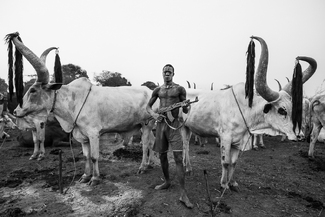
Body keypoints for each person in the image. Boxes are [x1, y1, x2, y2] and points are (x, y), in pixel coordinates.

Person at [146, 64, 194, 208]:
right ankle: (167, 182)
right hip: (161, 126)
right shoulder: (157, 90)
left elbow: (185, 109)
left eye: (169, 71)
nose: (167, 73)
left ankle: (183, 194)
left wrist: (185, 105)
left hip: (174, 126)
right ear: (162, 73)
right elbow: (148, 107)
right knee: (162, 156)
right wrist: (155, 115)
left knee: (179, 158)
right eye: (165, 71)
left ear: (173, 74)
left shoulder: (179, 89)